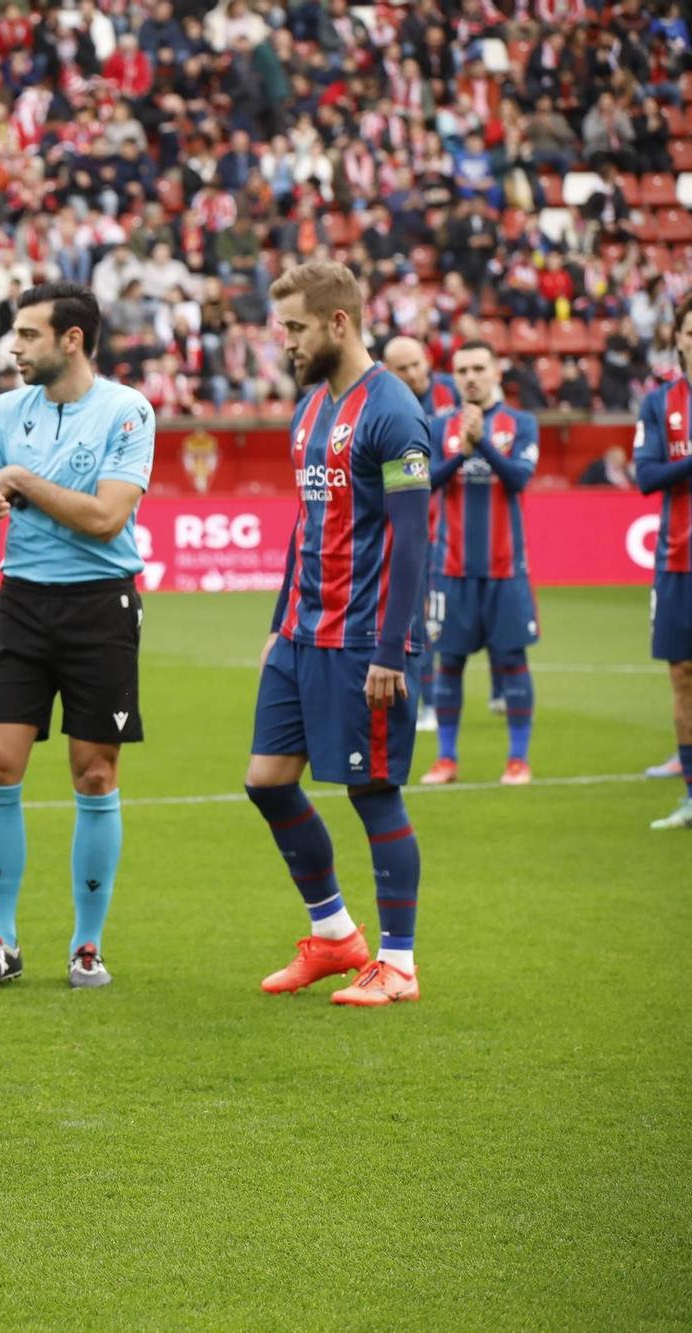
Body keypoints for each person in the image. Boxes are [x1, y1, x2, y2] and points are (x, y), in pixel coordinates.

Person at [0, 283, 155, 995]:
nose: (15, 347)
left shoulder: (128, 410)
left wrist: (18, 482)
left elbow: (105, 518)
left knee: (94, 774)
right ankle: (1, 939)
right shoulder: (3, 413)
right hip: (22, 602)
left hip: (101, 606)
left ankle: (87, 944)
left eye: (29, 335)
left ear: (72, 339)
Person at [245, 261, 431, 1008]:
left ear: (338, 323)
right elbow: (306, 528)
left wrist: (391, 650)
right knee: (267, 782)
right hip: (299, 635)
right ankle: (334, 936)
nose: (284, 343)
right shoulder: (311, 408)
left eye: (293, 327)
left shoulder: (394, 410)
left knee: (372, 791)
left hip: (362, 642)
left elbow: (414, 540)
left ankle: (399, 962)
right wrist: (275, 626)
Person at [420, 340, 541, 787]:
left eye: (478, 368)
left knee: (511, 661)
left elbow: (519, 479)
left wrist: (482, 444)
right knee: (448, 662)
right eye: (462, 369)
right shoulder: (437, 426)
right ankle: (446, 759)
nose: (470, 376)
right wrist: (460, 451)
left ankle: (518, 759)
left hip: (506, 569)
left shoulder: (522, 423)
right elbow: (426, 482)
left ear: (495, 372)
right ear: (453, 376)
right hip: (450, 569)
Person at [633, 295, 692, 830]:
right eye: (691, 332)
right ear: (678, 339)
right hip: (678, 560)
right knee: (683, 676)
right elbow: (646, 476)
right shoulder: (659, 403)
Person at [383, 333, 462, 731]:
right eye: (403, 368)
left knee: (454, 622)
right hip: (413, 531)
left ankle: (501, 690)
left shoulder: (453, 395)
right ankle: (426, 702)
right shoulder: (390, 406)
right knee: (421, 618)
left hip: (456, 531)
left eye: (417, 364)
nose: (414, 373)